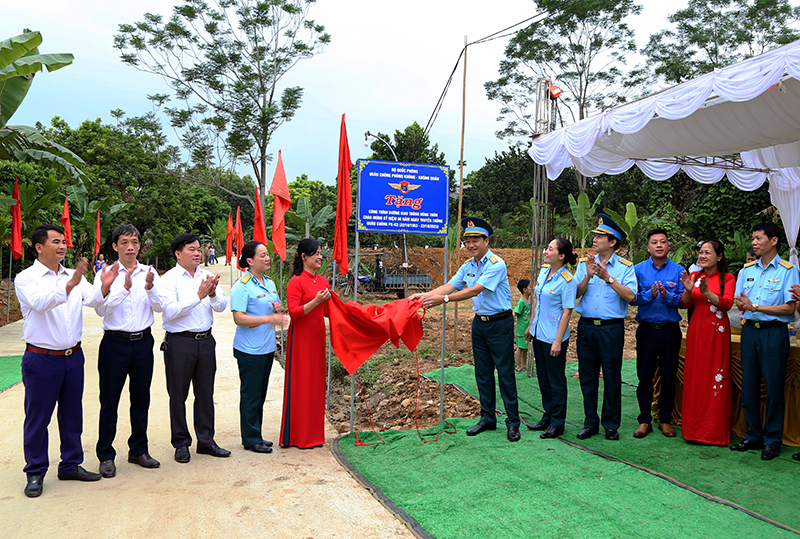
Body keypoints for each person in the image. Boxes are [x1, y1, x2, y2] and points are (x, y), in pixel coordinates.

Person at [15, 224, 113, 497]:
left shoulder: (74, 275)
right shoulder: (26, 278)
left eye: (63, 241)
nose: (62, 246)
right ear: (38, 247)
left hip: (73, 357)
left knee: (72, 414)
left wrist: (104, 286)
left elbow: (93, 300)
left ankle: (70, 464)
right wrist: (69, 285)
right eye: (56, 241)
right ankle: (35, 471)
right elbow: (39, 303)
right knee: (38, 418)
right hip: (41, 359)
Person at [412, 217, 521, 442]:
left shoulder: (496, 264)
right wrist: (424, 295)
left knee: (505, 374)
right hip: (479, 324)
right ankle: (488, 418)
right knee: (482, 373)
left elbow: (475, 290)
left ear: (486, 241)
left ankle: (512, 422)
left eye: (475, 240)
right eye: (467, 241)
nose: (470, 245)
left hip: (500, 323)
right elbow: (451, 285)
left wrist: (442, 300)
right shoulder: (468, 265)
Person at [93, 224, 163, 478]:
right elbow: (101, 310)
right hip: (115, 344)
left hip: (143, 342)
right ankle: (106, 455)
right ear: (115, 246)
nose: (130, 247)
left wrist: (150, 287)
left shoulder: (150, 272)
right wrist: (123, 288)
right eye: (124, 242)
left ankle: (138, 450)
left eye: (134, 242)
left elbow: (159, 307)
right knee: (109, 401)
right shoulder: (106, 273)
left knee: (141, 398)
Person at [157, 233, 229, 462]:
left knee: (205, 394)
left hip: (205, 341)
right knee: (178, 394)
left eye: (199, 249)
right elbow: (169, 311)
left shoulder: (207, 275)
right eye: (192, 249)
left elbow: (221, 307)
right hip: (180, 343)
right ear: (178, 254)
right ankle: (181, 442)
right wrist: (198, 296)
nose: (198, 253)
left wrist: (213, 293)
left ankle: (206, 441)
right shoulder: (168, 279)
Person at [733, 222, 798, 460]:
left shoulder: (787, 270)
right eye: (753, 238)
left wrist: (756, 306)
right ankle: (752, 435)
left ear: (773, 241)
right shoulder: (746, 271)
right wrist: (744, 305)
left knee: (773, 388)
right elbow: (740, 302)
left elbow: (789, 308)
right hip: (750, 331)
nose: (754, 242)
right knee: (748, 385)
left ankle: (772, 440)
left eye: (759, 238)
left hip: (774, 333)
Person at [573, 214, 636, 441]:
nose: (595, 239)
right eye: (596, 235)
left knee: (611, 376)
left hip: (611, 329)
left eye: (601, 236)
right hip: (587, 327)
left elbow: (630, 296)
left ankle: (611, 424)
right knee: (587, 376)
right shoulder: (584, 265)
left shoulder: (626, 268)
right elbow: (575, 294)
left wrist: (608, 278)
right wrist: (588, 276)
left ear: (612, 242)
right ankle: (591, 422)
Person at [230, 241, 289, 454]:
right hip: (249, 350)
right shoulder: (242, 286)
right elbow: (239, 318)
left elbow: (275, 306)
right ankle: (250, 438)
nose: (267, 258)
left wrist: (279, 309)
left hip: (266, 348)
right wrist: (268, 318)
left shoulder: (269, 283)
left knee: (260, 393)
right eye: (262, 255)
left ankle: (257, 434)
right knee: (251, 394)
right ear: (249, 260)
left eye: (267, 254)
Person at [629, 229, 685, 439]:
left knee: (669, 376)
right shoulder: (639, 270)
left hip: (670, 331)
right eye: (654, 242)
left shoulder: (679, 270)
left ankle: (665, 420)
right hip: (647, 331)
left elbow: (682, 301)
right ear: (648, 247)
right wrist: (649, 295)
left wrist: (666, 295)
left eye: (663, 242)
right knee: (645, 376)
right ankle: (644, 420)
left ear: (669, 246)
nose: (659, 245)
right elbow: (632, 298)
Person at [679, 240, 735, 445]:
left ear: (719, 257)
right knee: (696, 376)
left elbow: (728, 303)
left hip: (716, 334)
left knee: (715, 376)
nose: (702, 256)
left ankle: (713, 432)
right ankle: (692, 430)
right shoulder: (694, 276)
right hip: (696, 331)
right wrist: (687, 289)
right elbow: (685, 303)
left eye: (707, 253)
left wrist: (707, 293)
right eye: (700, 253)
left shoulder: (727, 278)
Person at [280, 238, 331, 448]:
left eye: (321, 253)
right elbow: (294, 312)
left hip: (318, 337)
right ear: (304, 257)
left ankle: (315, 436)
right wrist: (315, 301)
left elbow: (329, 311)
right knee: (301, 384)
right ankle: (298, 436)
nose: (320, 257)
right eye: (316, 253)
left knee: (316, 384)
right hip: (300, 339)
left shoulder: (323, 282)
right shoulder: (296, 281)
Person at [525, 238, 577, 439]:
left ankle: (557, 423)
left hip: (554, 337)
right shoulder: (544, 272)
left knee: (556, 381)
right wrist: (531, 325)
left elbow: (567, 313)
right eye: (547, 248)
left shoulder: (567, 280)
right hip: (539, 333)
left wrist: (557, 341)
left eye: (550, 249)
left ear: (561, 256)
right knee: (544, 378)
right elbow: (536, 300)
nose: (546, 252)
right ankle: (547, 416)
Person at [513, 279, 531, 373]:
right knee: (519, 347)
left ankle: (524, 365)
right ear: (524, 289)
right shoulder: (521, 302)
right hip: (521, 329)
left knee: (525, 348)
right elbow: (515, 312)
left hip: (527, 329)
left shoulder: (530, 301)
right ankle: (518, 366)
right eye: (530, 287)